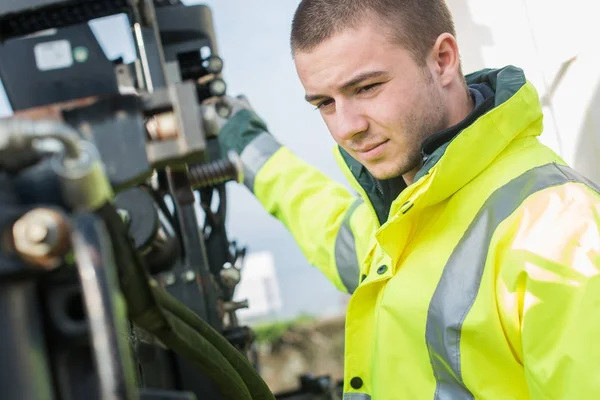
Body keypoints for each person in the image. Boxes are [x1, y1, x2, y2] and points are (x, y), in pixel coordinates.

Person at [207, 0, 600, 398]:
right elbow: (329, 228)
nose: (347, 128)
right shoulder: (402, 215)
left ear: (443, 60)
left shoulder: (563, 230)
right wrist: (249, 148)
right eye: (325, 103)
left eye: (366, 88)